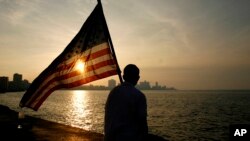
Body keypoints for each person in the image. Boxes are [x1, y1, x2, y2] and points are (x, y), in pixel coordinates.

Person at [104, 64, 148, 141]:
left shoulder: (113, 92)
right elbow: (142, 123)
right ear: (138, 78)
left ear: (124, 77)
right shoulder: (139, 96)